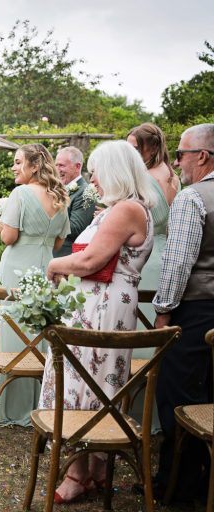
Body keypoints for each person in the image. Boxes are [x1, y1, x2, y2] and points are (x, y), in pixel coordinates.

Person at [40, 140, 156, 503]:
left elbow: (91, 262)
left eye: (98, 171)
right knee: (90, 381)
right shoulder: (118, 209)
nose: (93, 177)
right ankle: (95, 470)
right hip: (96, 303)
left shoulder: (127, 210)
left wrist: (54, 265)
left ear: (116, 172)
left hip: (104, 307)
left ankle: (78, 474)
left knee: (88, 381)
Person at [153, 123, 214, 503]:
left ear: (203, 156)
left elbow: (178, 265)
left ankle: (179, 487)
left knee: (177, 396)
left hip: (196, 312)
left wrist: (163, 312)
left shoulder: (193, 198)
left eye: (181, 154)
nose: (176, 162)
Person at [0, 143, 70, 426]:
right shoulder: (60, 194)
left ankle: (12, 406)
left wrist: (2, 227)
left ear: (34, 166)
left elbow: (9, 238)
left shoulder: (21, 193)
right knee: (40, 332)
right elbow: (59, 242)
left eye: (17, 162)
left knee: (14, 333)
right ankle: (41, 402)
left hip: (16, 270)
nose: (13, 167)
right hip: (46, 269)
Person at [127, 123, 180, 320]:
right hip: (165, 254)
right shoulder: (173, 177)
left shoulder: (144, 178)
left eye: (134, 149)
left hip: (144, 257)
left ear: (153, 148)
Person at [53, 146, 95, 257]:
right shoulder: (58, 189)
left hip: (67, 256)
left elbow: (75, 228)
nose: (57, 170)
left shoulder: (87, 192)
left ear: (77, 167)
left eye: (61, 165)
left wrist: (46, 221)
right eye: (56, 165)